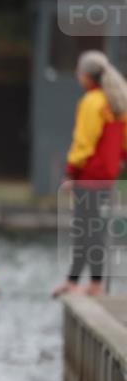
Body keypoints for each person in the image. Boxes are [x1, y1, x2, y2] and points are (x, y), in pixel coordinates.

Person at [53, 50, 127, 299]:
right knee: (91, 227)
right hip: (107, 176)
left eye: (78, 70)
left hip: (89, 175)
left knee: (85, 229)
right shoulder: (116, 101)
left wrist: (70, 171)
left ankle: (83, 283)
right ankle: (86, 281)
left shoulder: (92, 102)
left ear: (87, 75)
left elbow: (84, 142)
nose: (77, 74)